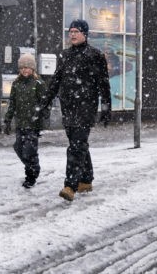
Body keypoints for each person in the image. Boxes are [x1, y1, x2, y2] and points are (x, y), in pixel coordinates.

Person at [39, 19, 111, 201]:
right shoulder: (64, 55)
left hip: (86, 108)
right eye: (70, 31)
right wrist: (44, 103)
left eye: (76, 31)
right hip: (68, 107)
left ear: (84, 34)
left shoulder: (95, 55)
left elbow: (104, 84)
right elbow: (56, 81)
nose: (72, 34)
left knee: (75, 147)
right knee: (78, 144)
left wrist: (106, 107)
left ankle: (70, 186)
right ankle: (86, 180)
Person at [4, 53, 47, 188]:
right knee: (18, 148)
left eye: (27, 67)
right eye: (22, 67)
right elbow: (12, 104)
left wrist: (40, 119)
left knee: (29, 150)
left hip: (33, 124)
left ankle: (31, 175)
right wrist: (7, 121)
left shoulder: (38, 83)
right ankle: (33, 166)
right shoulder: (16, 84)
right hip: (20, 123)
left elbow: (45, 104)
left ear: (33, 69)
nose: (24, 70)